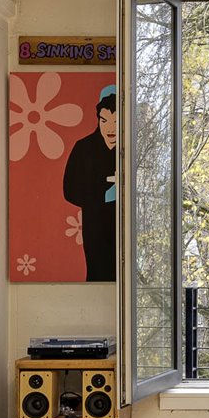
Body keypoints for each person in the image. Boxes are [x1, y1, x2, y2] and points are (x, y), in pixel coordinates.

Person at [61, 87, 118, 282]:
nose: (110, 128)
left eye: (116, 122)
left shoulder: (130, 151)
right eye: (105, 121)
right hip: (95, 222)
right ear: (98, 120)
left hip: (122, 224)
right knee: (97, 272)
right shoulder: (84, 147)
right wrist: (107, 181)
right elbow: (69, 190)